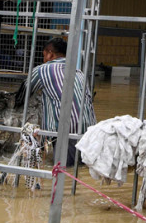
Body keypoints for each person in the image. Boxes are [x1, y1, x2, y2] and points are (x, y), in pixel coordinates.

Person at [14, 37, 96, 166]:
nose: (44, 59)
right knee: (82, 167)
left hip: (66, 128)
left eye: (44, 55)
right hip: (90, 129)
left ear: (50, 53)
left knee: (64, 170)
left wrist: (14, 108)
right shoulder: (78, 72)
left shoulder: (42, 70)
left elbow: (23, 94)